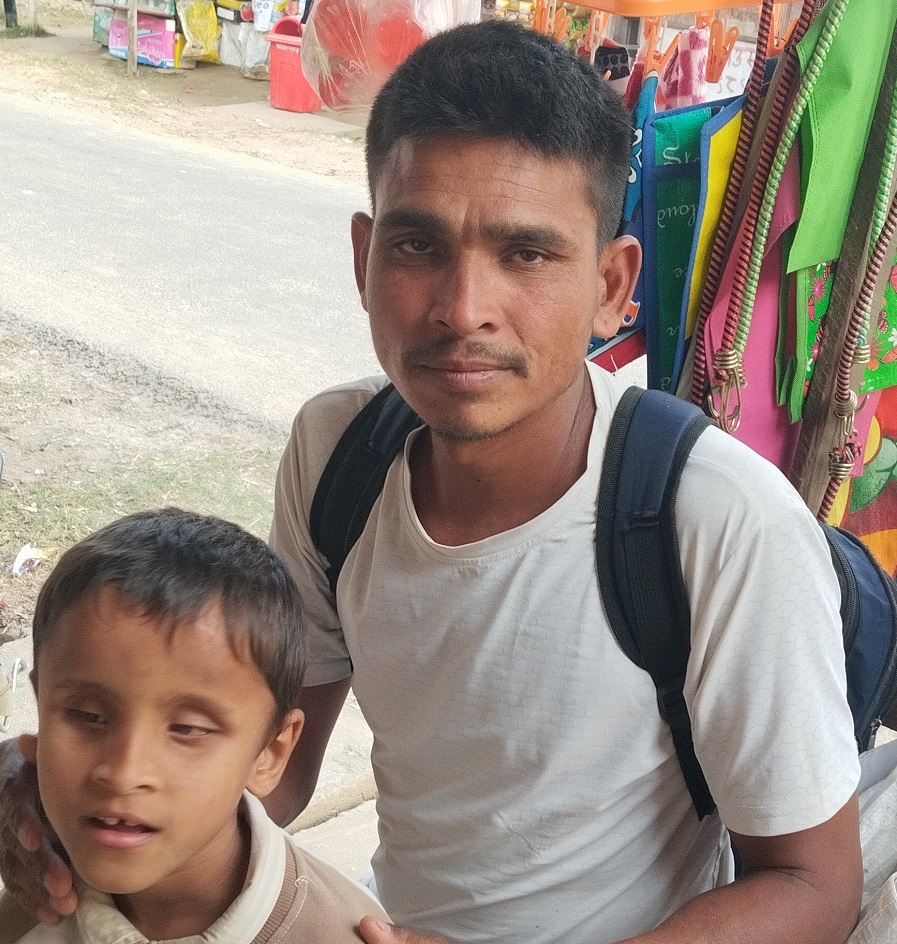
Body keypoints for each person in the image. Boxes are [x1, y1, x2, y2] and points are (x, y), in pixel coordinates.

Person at [0, 19, 864, 944]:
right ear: (363, 258)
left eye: (526, 254)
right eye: (417, 246)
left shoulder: (714, 518)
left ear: (612, 286)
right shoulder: (339, 453)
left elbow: (812, 884)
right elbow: (274, 769)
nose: (462, 309)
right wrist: (60, 789)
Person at [0, 508, 388, 944]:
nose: (124, 773)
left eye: (187, 729)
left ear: (270, 752)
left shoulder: (340, 933)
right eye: (87, 716)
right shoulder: (33, 898)